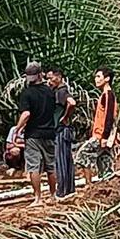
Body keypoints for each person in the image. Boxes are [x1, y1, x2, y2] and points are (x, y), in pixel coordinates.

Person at [15, 62, 57, 205]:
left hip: (33, 134)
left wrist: (17, 128)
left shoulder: (27, 93)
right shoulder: (50, 91)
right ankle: (53, 196)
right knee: (51, 166)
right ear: (41, 74)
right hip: (50, 132)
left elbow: (26, 113)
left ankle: (38, 197)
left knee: (34, 166)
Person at [76, 67, 118, 185]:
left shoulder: (108, 95)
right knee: (104, 159)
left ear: (107, 79)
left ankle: (89, 185)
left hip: (101, 135)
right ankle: (107, 184)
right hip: (101, 133)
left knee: (83, 154)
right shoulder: (105, 95)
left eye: (99, 76)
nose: (96, 79)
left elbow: (109, 116)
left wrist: (104, 136)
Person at [48, 67, 77, 198]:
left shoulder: (61, 91)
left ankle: (62, 190)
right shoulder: (59, 90)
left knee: (60, 161)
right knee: (66, 160)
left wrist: (65, 117)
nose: (49, 81)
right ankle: (69, 189)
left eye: (51, 78)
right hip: (65, 130)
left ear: (58, 77)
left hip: (61, 130)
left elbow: (71, 102)